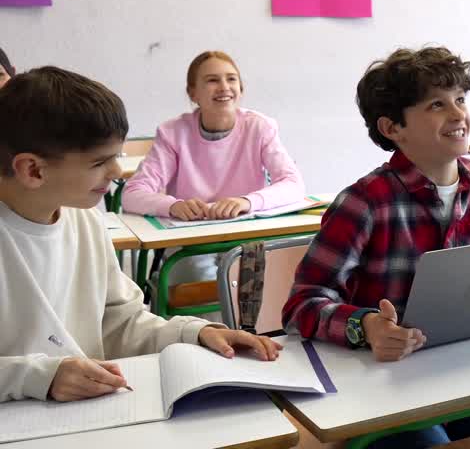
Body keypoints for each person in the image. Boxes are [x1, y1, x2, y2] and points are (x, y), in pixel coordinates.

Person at [282, 46, 470, 448]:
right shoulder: (364, 202)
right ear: (393, 128)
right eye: (436, 104)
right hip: (381, 388)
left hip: (463, 371)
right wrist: (367, 327)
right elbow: (301, 306)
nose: (457, 114)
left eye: (461, 100)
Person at [0, 67, 279, 403]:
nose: (117, 172)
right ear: (33, 170)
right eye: (99, 162)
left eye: (116, 157)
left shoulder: (86, 220)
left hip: (85, 412)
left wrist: (194, 333)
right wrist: (38, 378)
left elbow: (120, 323)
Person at [121, 51, 306, 282]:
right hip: (193, 241)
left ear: (241, 88)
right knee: (203, 279)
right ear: (193, 93)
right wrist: (173, 206)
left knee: (266, 280)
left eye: (231, 79)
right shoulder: (173, 133)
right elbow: (131, 194)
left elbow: (293, 184)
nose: (224, 87)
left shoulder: (260, 127)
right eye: (212, 80)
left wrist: (247, 201)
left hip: (246, 237)